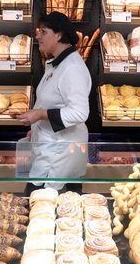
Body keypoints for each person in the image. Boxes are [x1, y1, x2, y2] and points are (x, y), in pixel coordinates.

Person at [18, 11, 92, 195]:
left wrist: (40, 115)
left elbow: (80, 112)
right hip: (50, 146)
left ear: (58, 35)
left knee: (44, 209)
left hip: (60, 154)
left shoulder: (72, 68)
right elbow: (54, 101)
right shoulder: (58, 63)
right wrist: (37, 127)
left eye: (43, 32)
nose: (38, 36)